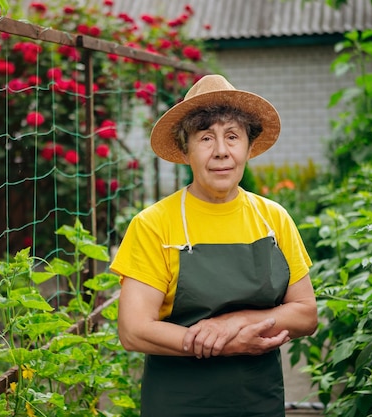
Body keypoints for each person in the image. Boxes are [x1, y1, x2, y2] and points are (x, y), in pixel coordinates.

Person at [110, 74, 318, 417]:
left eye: (232, 137)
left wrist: (232, 322)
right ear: (185, 149)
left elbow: (305, 314)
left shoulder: (273, 219)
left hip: (258, 401)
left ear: (249, 147)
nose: (221, 151)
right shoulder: (154, 224)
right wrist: (227, 345)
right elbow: (134, 330)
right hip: (177, 403)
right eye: (206, 138)